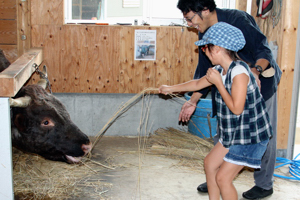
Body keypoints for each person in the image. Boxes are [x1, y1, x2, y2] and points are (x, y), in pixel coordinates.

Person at [176, 0, 282, 199]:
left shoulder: (238, 20)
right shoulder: (205, 29)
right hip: (227, 78)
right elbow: (202, 74)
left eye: (190, 19)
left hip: (259, 81)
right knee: (225, 127)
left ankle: (263, 183)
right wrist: (193, 101)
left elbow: (263, 51)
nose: (190, 24)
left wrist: (255, 72)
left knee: (258, 131)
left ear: (205, 11)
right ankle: (217, 173)